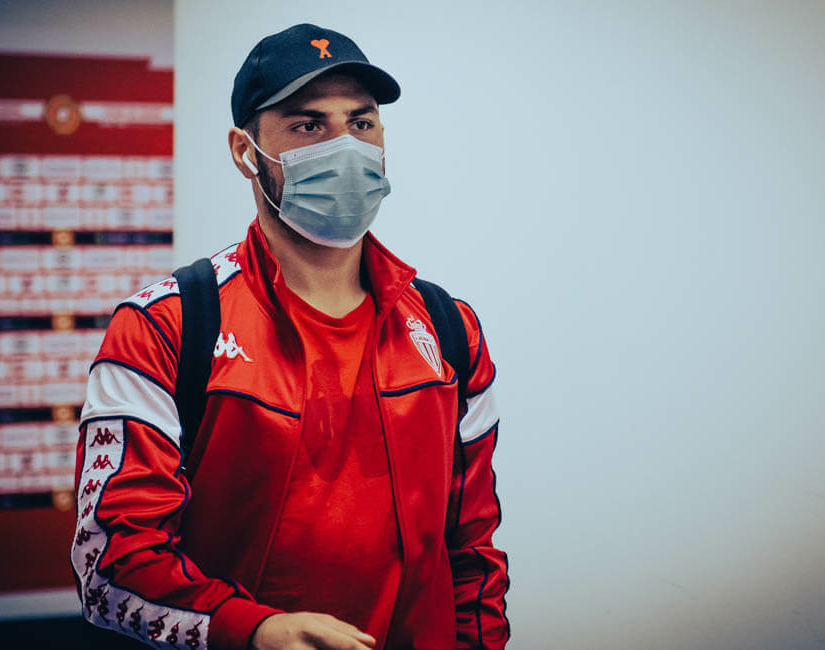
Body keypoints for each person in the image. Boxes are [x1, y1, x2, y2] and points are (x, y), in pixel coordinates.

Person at [72, 23, 508, 650]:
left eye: (361, 122)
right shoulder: (165, 326)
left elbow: (473, 554)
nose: (345, 147)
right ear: (245, 151)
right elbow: (109, 567)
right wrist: (253, 630)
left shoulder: (448, 330)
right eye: (308, 125)